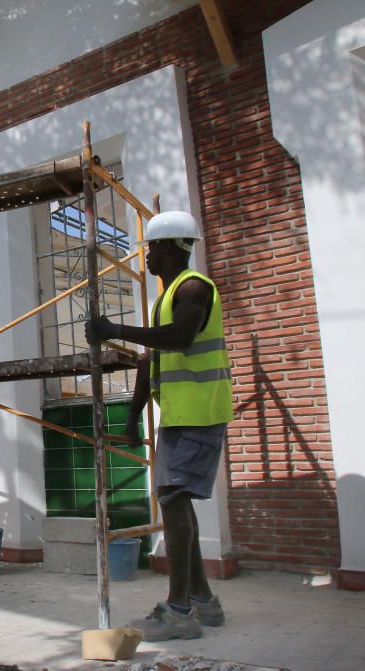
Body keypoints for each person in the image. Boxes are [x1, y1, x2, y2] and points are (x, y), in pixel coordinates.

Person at [85, 210, 233, 642]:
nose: (146, 256)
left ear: (169, 246)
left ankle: (179, 611)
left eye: (151, 247)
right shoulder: (166, 297)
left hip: (201, 412)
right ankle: (203, 602)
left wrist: (115, 328)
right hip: (181, 414)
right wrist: (132, 414)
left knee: (172, 498)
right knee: (175, 499)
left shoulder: (192, 289)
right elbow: (152, 358)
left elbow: (180, 338)